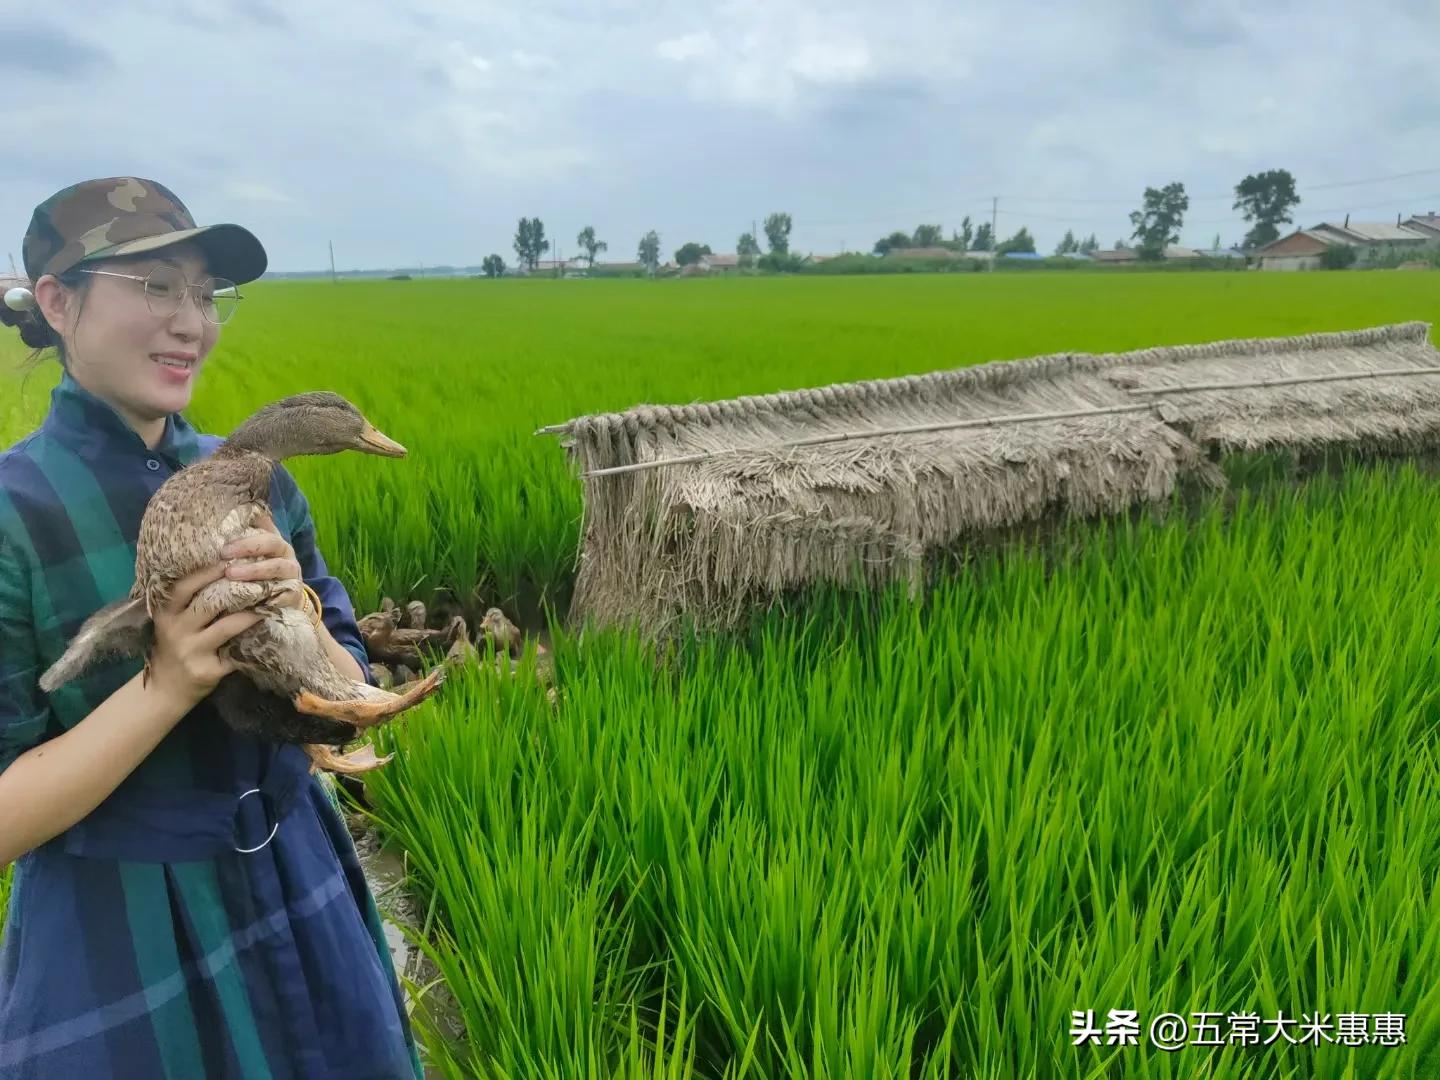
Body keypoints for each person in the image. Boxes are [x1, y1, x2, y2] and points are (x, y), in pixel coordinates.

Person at [0, 178, 423, 1078]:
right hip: (122, 930)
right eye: (156, 286)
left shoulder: (253, 476)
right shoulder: (14, 516)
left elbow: (343, 654)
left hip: (302, 886)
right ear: (58, 302)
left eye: (205, 292)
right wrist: (171, 679)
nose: (192, 321)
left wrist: (305, 636)